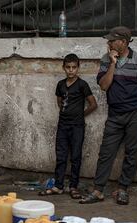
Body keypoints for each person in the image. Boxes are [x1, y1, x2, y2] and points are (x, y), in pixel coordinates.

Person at [80, 26, 137, 205]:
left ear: (123, 42)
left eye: (112, 40)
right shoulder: (106, 60)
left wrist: (135, 99)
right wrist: (113, 64)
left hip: (136, 114)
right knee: (106, 152)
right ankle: (98, 190)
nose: (108, 43)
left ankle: (123, 189)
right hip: (115, 115)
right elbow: (104, 86)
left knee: (132, 153)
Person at [39, 53, 97, 199]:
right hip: (63, 125)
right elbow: (59, 102)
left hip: (77, 126)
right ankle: (58, 186)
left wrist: (80, 115)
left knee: (76, 156)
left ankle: (73, 186)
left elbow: (93, 104)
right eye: (68, 67)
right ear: (63, 68)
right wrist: (66, 113)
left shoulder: (82, 85)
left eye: (74, 67)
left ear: (78, 68)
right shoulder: (60, 85)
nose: (71, 70)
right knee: (61, 156)